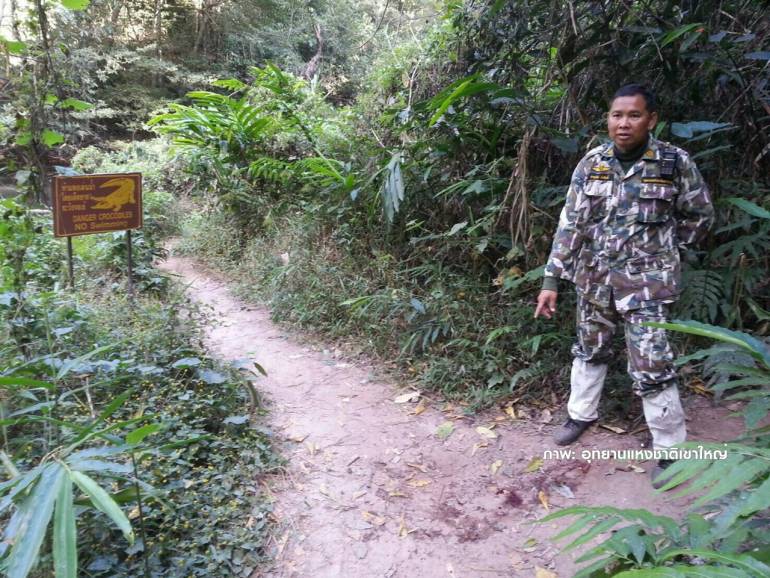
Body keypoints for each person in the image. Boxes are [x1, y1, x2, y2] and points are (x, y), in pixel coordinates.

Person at [534, 84, 714, 488]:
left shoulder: (673, 162)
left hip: (647, 285)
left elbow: (700, 214)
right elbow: (571, 223)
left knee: (653, 361)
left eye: (634, 115)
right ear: (608, 119)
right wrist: (551, 279)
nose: (624, 123)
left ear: (651, 120)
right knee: (589, 347)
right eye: (617, 115)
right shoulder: (592, 163)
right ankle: (580, 415)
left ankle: (670, 449)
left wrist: (670, 252)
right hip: (594, 280)